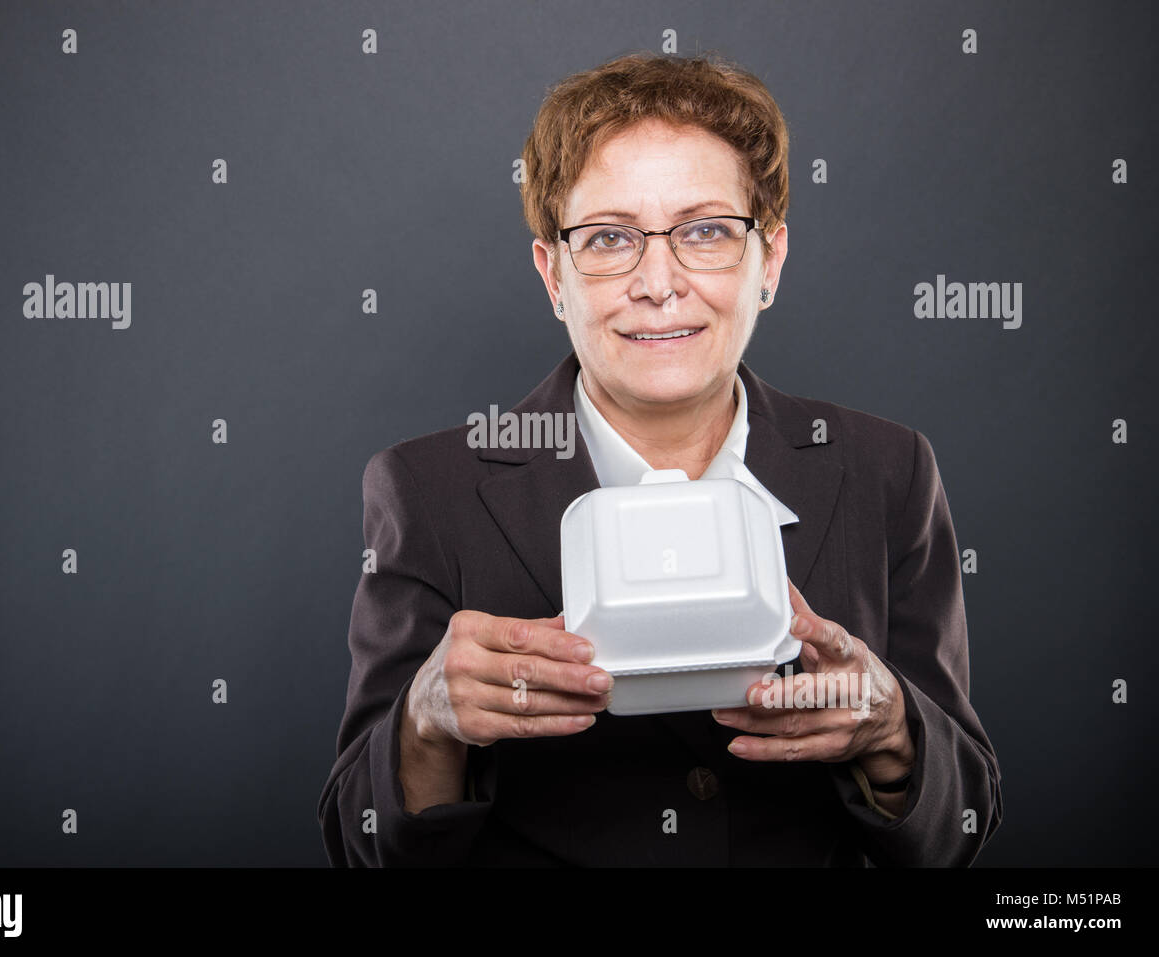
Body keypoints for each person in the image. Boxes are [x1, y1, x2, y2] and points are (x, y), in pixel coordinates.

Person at [317, 51, 1002, 866]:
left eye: (705, 231)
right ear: (554, 274)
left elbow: (961, 828)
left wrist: (892, 727)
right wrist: (427, 720)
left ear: (771, 260)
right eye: (610, 238)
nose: (659, 282)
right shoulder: (426, 491)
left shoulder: (889, 470)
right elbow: (359, 843)